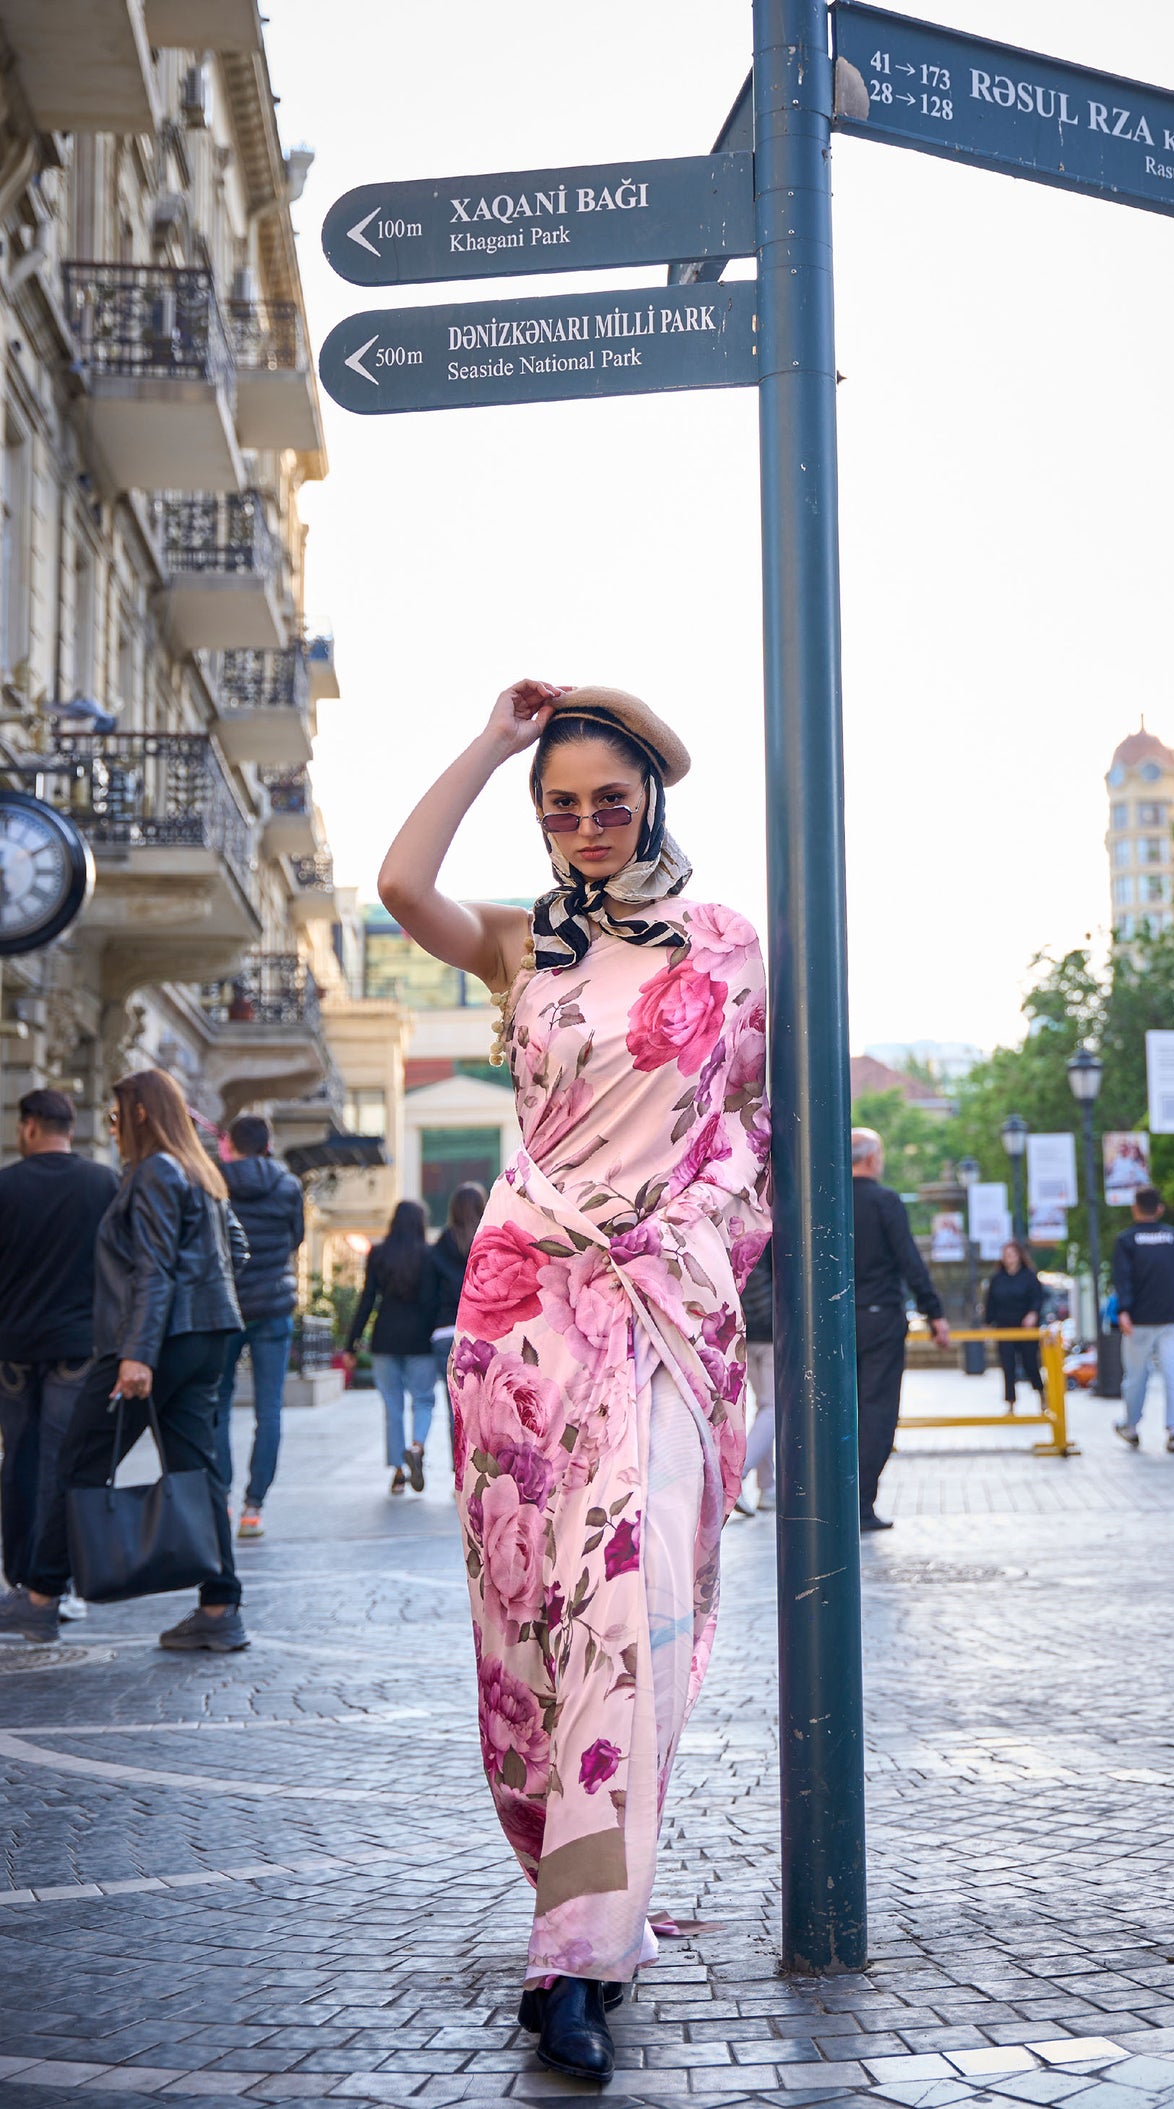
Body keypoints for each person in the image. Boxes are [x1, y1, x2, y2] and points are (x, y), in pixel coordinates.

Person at [376, 678, 769, 2080]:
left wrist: (680, 1230)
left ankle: (575, 1965)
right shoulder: (517, 947)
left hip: (660, 1307)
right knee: (532, 1623)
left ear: (654, 795)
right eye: (563, 805)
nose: (589, 824)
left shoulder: (728, 950)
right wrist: (490, 741)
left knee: (627, 1599)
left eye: (611, 798)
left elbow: (749, 1130)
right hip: (518, 1310)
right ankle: (576, 1896)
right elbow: (397, 880)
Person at [0, 1070, 250, 1650]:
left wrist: (137, 1355)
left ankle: (39, 1596)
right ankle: (220, 1606)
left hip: (154, 1343)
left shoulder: (157, 1170)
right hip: (204, 1335)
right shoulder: (198, 1171)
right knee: (195, 1468)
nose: (112, 1130)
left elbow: (154, 1269)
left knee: (79, 1461)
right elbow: (235, 1249)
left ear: (140, 1113)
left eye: (115, 1118)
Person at [0, 1090, 118, 1605]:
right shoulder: (103, 1184)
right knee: (60, 1461)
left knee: (17, 1460)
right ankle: (52, 1585)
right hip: (78, 1346)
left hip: (14, 1347)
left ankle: (19, 1574)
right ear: (71, 1128)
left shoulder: (5, 1185)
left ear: (28, 1127)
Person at [851, 1127, 951, 1531]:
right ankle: (861, 1502)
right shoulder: (885, 1201)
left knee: (838, 1410)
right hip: (881, 1318)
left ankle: (834, 1499)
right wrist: (934, 1312)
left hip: (833, 1321)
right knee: (877, 1409)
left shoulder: (827, 1199)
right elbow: (909, 1259)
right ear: (873, 1159)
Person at [214, 1114, 305, 1540]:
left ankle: (221, 1498)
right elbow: (296, 1239)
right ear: (269, 1143)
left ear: (230, 1144)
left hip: (225, 1306)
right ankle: (253, 1507)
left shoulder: (213, 1180)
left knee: (218, 1404)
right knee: (268, 1409)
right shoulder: (287, 1185)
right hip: (273, 1305)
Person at [343, 1200, 436, 1495]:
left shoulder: (379, 1254)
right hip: (420, 1338)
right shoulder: (428, 1255)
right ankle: (417, 1447)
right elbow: (432, 1301)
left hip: (385, 1337)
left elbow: (367, 1299)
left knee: (392, 1406)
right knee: (423, 1400)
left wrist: (351, 1344)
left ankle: (397, 1471)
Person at [1111, 1185, 1174, 1454]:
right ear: (1159, 1209)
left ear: (1135, 1208)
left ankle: (1132, 1427)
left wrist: (1123, 1310)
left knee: (1135, 1375)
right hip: (1172, 1316)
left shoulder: (1126, 1240)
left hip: (1138, 1319)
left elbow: (1122, 1278)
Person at [424, 1180, 488, 1396]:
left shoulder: (441, 1244)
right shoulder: (490, 1239)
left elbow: (429, 1294)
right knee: (484, 1406)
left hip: (446, 1331)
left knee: (454, 1406)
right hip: (484, 1332)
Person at [737, 1234, 775, 1513]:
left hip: (744, 1330)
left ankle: (768, 1486)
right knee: (773, 1408)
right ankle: (740, 1473)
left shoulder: (740, 1227)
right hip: (772, 1331)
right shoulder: (775, 1232)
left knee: (764, 1408)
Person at [983, 1239, 1044, 1410]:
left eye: (1011, 1254)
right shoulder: (997, 1279)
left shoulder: (1029, 1276)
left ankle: (1040, 1392)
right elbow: (990, 1303)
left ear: (1019, 1256)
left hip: (1025, 1327)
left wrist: (1033, 1314)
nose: (1008, 1258)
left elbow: (1037, 1298)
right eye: (1005, 1255)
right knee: (1007, 1364)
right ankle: (1010, 1402)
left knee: (1030, 1363)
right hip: (1004, 1326)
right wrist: (987, 1324)